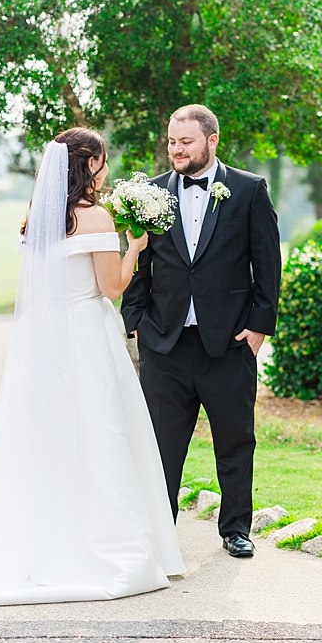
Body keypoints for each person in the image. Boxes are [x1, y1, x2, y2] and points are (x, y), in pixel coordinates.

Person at [0, 128, 185, 606]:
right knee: (99, 435)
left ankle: (42, 544)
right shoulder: (95, 218)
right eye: (104, 160)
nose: (108, 168)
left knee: (47, 437)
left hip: (44, 338)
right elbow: (111, 288)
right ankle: (100, 545)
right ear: (88, 164)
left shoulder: (38, 217)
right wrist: (134, 249)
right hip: (86, 337)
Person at [122, 104, 281, 558]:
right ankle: (159, 530)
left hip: (229, 343)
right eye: (171, 141)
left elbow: (267, 263)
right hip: (165, 345)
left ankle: (235, 529)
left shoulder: (249, 190)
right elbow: (139, 268)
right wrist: (136, 324)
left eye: (185, 141)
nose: (176, 149)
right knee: (160, 445)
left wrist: (258, 328)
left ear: (212, 141)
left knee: (235, 440)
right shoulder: (149, 194)